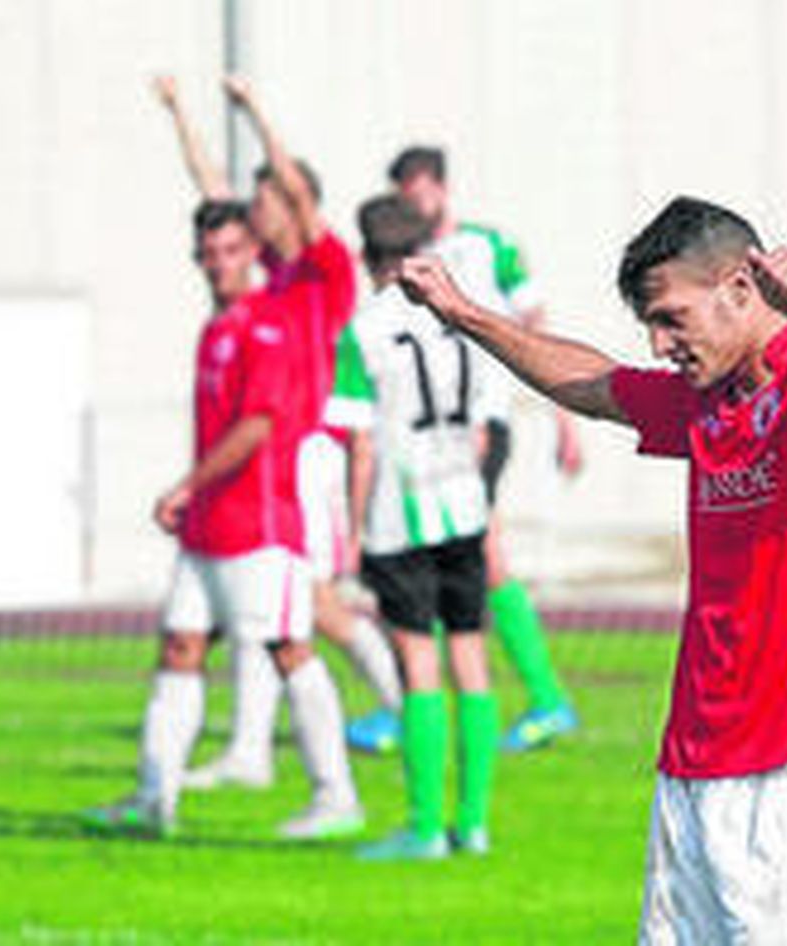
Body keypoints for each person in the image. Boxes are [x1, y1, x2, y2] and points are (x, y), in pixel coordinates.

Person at [397, 197, 787, 942]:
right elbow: (595, 384)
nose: (659, 340)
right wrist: (463, 313)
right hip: (692, 764)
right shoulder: (705, 401)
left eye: (672, 317)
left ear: (742, 288)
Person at [80, 199, 363, 840]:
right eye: (209, 254)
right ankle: (156, 798)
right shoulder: (218, 328)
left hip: (261, 529)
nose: (219, 264)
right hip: (206, 531)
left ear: (251, 253)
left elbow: (258, 425)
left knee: (289, 649)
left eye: (232, 250)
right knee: (180, 649)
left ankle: (336, 796)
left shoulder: (271, 325)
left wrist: (185, 484)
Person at [149, 76, 404, 781]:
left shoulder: (322, 270)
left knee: (307, 612)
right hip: (277, 459)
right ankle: (248, 750)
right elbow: (213, 188)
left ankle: (399, 707)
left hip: (307, 456)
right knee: (272, 615)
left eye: (266, 199)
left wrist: (258, 111)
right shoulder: (262, 275)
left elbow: (291, 186)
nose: (255, 210)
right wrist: (181, 113)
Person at [388, 145, 581, 753]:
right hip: (432, 431)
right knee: (474, 554)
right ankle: (531, 700)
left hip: (481, 425)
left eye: (419, 192)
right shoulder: (406, 258)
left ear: (441, 189)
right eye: (403, 196)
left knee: (458, 553)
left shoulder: (488, 247)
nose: (413, 204)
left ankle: (525, 700)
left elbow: (536, 327)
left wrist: (565, 418)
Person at [329, 194, 505, 860]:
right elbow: (485, 429)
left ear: (364, 255)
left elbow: (362, 443)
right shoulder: (460, 316)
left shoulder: (365, 328)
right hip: (463, 500)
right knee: (472, 658)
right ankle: (475, 820)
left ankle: (426, 827)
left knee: (419, 664)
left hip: (399, 515)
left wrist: (351, 527)